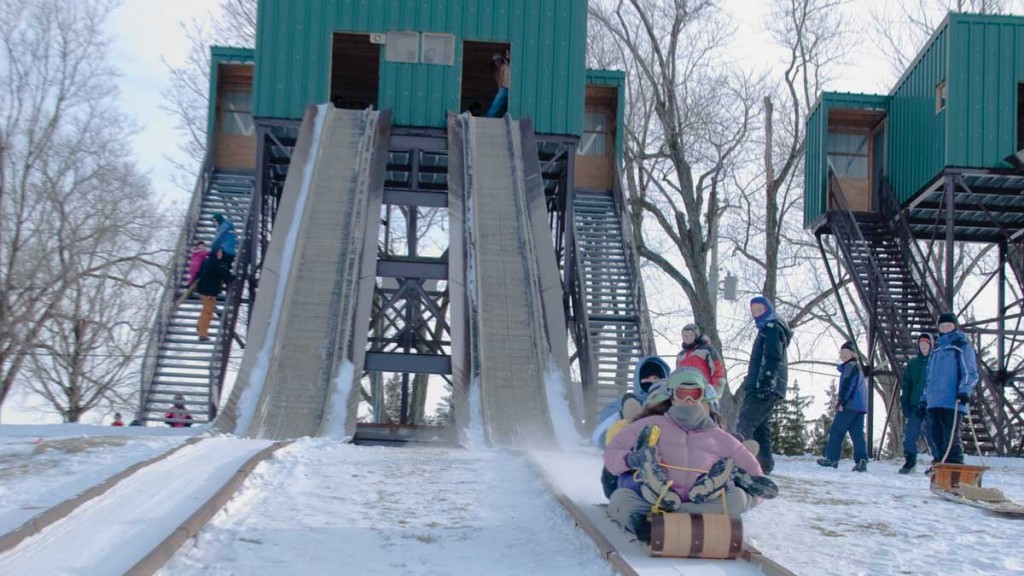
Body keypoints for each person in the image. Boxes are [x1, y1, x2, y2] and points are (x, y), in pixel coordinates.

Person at [604, 367, 777, 543]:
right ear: (672, 396)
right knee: (621, 498)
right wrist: (631, 459)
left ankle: (715, 483)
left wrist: (752, 496)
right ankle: (649, 509)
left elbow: (757, 477)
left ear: (702, 396)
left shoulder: (719, 437)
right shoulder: (650, 425)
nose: (688, 400)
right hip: (652, 502)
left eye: (694, 394)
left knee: (738, 499)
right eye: (682, 393)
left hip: (701, 504)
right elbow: (612, 454)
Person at [594, 356, 671, 499]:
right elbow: (599, 437)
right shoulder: (621, 406)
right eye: (646, 378)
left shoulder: (676, 405)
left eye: (656, 378)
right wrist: (625, 416)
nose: (651, 381)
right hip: (630, 466)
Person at [734, 296, 792, 475]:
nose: (757, 314)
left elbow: (773, 357)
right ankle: (765, 465)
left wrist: (766, 381)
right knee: (761, 427)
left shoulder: (772, 328)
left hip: (764, 385)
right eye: (754, 311)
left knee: (745, 422)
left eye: (760, 310)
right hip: (764, 384)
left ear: (768, 310)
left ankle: (734, 460)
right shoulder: (767, 329)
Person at [919, 313, 978, 465]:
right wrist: (924, 400)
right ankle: (939, 464)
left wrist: (965, 390)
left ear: (954, 326)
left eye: (948, 325)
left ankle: (954, 467)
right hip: (934, 401)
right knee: (934, 436)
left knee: (951, 437)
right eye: (942, 325)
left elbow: (970, 372)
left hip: (952, 400)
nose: (945, 328)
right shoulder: (936, 350)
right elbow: (929, 379)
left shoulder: (961, 346)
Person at [817, 341, 869, 471]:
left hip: (849, 405)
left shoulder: (850, 366)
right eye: (842, 353)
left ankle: (831, 459)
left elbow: (848, 385)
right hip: (860, 406)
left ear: (853, 354)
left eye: (846, 352)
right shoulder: (858, 367)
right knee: (857, 435)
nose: (843, 355)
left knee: (836, 431)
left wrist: (841, 402)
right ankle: (862, 460)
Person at [899, 333, 938, 474]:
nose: (923, 347)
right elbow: (907, 385)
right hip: (915, 404)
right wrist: (905, 402)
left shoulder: (935, 362)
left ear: (931, 346)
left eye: (926, 344)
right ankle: (910, 461)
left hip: (932, 405)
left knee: (933, 435)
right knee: (910, 434)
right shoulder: (913, 364)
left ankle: (937, 462)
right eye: (921, 345)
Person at [675, 323, 726, 415]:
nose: (688, 338)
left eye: (691, 335)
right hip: (686, 394)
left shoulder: (706, 350)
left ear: (696, 335)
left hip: (705, 392)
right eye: (685, 336)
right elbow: (677, 375)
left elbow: (718, 370)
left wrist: (715, 391)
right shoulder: (681, 355)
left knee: (706, 418)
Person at [194, 250, 224, 342]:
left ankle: (200, 328)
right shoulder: (216, 263)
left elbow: (198, 274)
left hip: (203, 291)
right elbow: (223, 273)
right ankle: (202, 334)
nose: (221, 255)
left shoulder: (205, 261)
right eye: (220, 253)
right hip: (209, 293)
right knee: (208, 313)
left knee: (205, 311)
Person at [208, 213, 237, 280]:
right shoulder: (226, 226)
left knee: (221, 266)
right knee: (224, 266)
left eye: (214, 221)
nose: (213, 224)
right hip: (228, 250)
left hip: (226, 250)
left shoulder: (224, 227)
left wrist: (213, 245)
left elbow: (218, 237)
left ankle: (227, 279)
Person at [486, 49, 510, 118]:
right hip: (502, 88)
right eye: (495, 61)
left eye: (498, 60)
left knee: (496, 104)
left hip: (504, 88)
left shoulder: (505, 66)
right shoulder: (498, 70)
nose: (497, 62)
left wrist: (503, 87)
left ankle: (489, 117)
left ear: (500, 60)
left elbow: (506, 79)